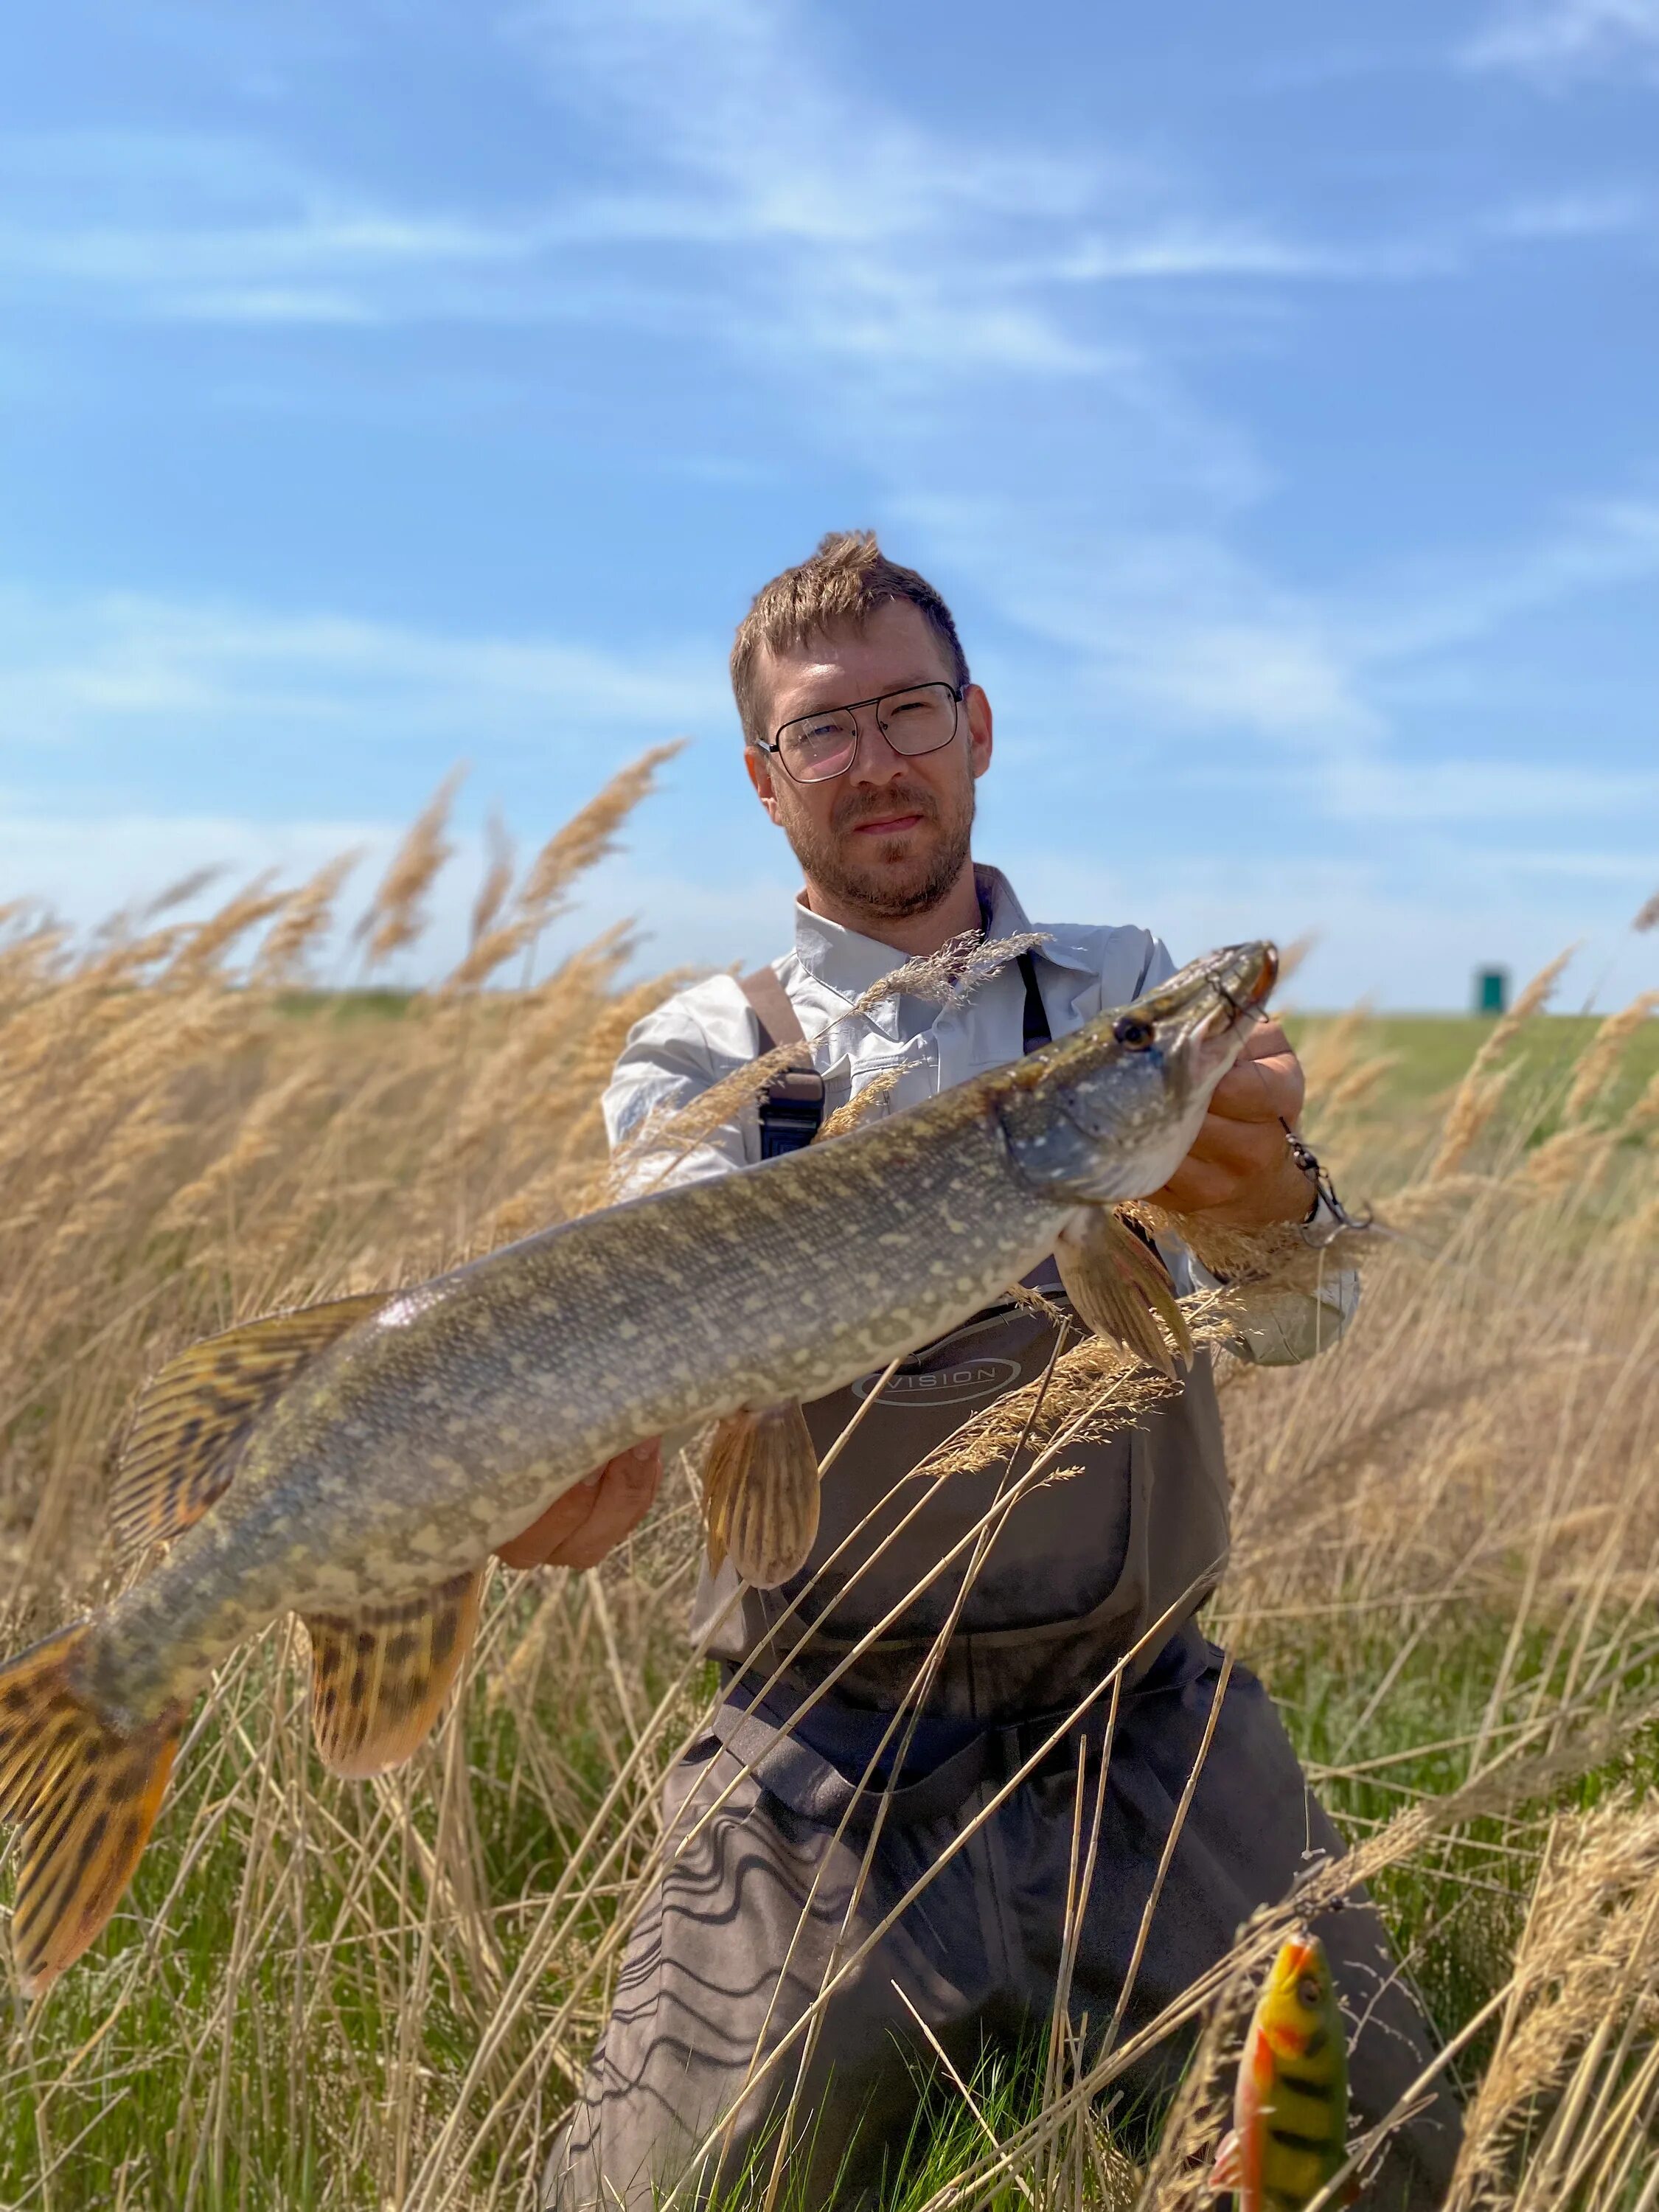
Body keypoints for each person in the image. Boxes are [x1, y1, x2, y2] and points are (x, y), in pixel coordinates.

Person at [522, 534, 1461, 2209]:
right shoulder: (705, 1052)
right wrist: (566, 1460)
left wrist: (1270, 1207)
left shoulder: (1122, 996)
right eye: (826, 730)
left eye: (913, 709)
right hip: (824, 1756)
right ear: (764, 780)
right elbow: (656, 1318)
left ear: (980, 728)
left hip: (1148, 1731)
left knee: (1379, 2172)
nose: (876, 757)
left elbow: (1304, 1324)